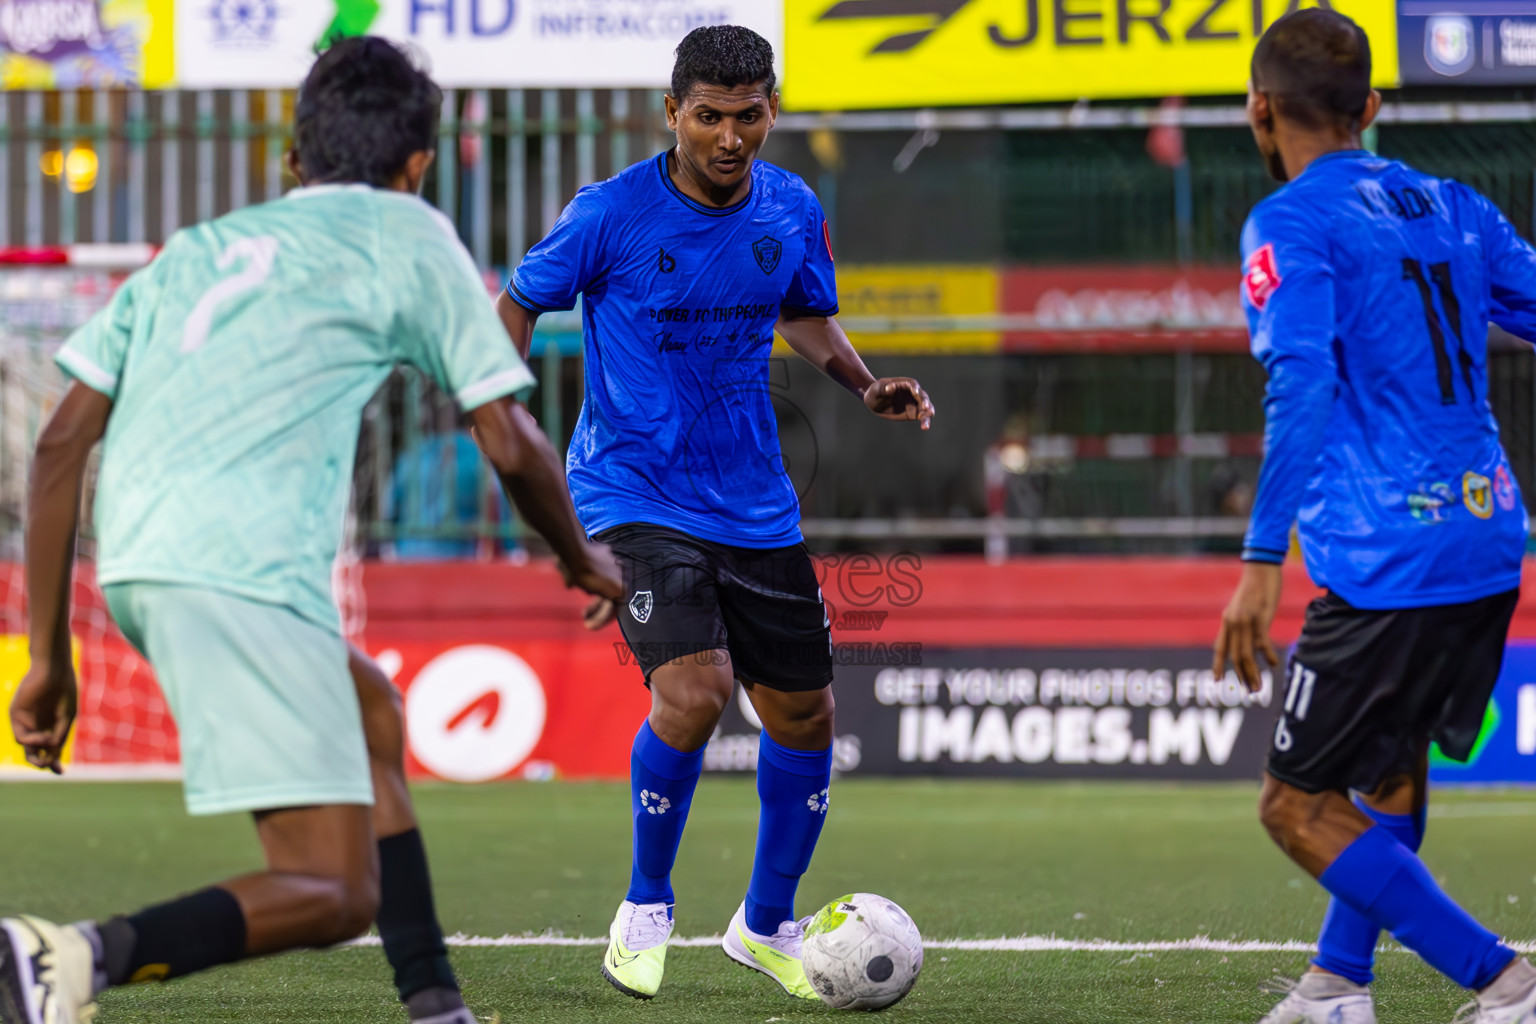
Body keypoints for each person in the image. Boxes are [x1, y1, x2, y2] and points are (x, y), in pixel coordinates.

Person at [1, 36, 621, 1024]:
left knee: (371, 710)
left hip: (141, 558)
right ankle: (69, 956)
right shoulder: (408, 234)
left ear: (295, 159)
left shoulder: (197, 249)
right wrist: (584, 558)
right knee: (333, 891)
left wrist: (49, 656)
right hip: (241, 569)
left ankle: (434, 1002)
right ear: (418, 166)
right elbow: (506, 434)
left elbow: (58, 446)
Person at [495, 24, 935, 1003]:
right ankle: (646, 904)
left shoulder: (792, 204)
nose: (731, 136)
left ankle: (764, 924)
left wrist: (864, 385)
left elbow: (804, 309)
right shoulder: (610, 214)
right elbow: (519, 299)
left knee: (806, 714)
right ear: (673, 114)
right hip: (632, 487)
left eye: (749, 115)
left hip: (754, 500)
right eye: (710, 117)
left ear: (770, 111)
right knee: (693, 692)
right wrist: (499, 399)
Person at [1212, 10, 1536, 1024]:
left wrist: (1262, 558)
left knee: (1296, 805)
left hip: (1387, 554)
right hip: (1487, 537)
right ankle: (1338, 984)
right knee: (1389, 765)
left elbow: (1300, 385)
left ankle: (1504, 979)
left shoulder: (1291, 223)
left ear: (1259, 109)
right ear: (1374, 108)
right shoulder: (1456, 205)